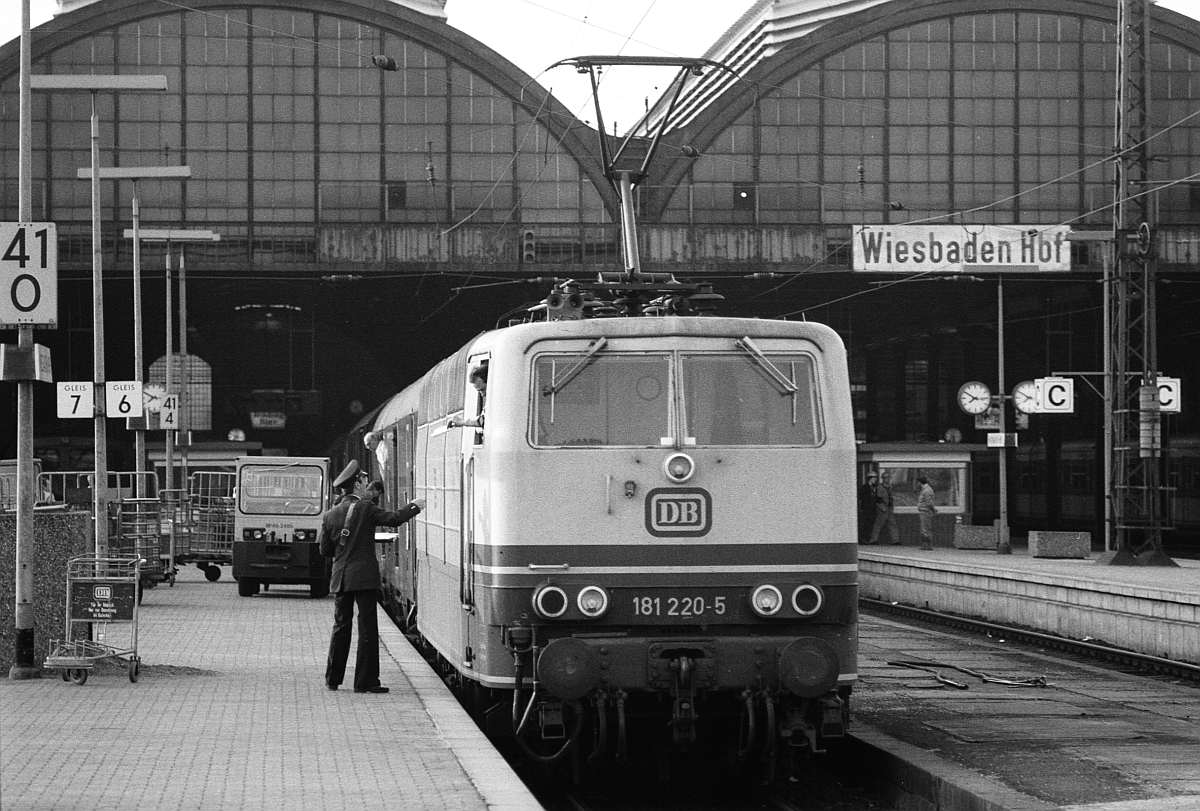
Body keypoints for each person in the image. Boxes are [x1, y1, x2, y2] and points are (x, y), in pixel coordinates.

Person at [320, 460, 425, 694]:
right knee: (367, 628)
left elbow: (325, 551)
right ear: (356, 484)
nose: (367, 485)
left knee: (341, 627)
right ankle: (364, 682)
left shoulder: (330, 515)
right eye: (364, 481)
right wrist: (415, 506)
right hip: (364, 578)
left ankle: (333, 679)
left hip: (341, 578)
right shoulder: (365, 508)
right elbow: (394, 519)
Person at [868, 471, 901, 546]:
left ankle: (895, 540)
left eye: (888, 478)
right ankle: (873, 540)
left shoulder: (890, 487)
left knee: (893, 524)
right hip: (883, 509)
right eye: (885, 478)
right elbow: (878, 499)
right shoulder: (880, 488)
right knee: (878, 525)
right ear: (883, 479)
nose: (887, 479)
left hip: (889, 508)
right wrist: (882, 508)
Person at [857, 473, 878, 543]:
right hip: (866, 508)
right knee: (864, 524)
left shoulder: (874, 487)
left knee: (870, 524)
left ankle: (867, 538)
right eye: (874, 478)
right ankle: (862, 539)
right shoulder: (864, 487)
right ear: (870, 479)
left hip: (872, 509)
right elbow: (861, 497)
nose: (875, 480)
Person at [917, 476, 937, 550]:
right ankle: (926, 544)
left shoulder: (926, 491)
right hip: (925, 511)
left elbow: (929, 503)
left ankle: (927, 545)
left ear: (920, 482)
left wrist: (933, 510)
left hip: (925, 511)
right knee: (925, 528)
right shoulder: (926, 489)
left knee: (925, 529)